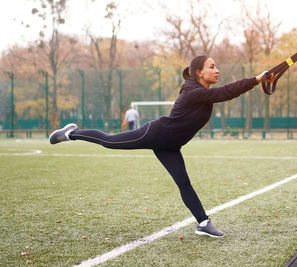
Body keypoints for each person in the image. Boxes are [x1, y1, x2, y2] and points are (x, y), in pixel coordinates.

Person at [49, 55, 276, 238]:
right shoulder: (193, 92)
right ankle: (72, 133)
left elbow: (223, 92)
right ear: (199, 72)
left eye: (217, 67)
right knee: (109, 141)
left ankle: (203, 223)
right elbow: (227, 92)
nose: (217, 70)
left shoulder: (202, 93)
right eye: (212, 67)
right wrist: (256, 79)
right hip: (155, 134)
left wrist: (257, 80)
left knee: (184, 183)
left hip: (171, 146)